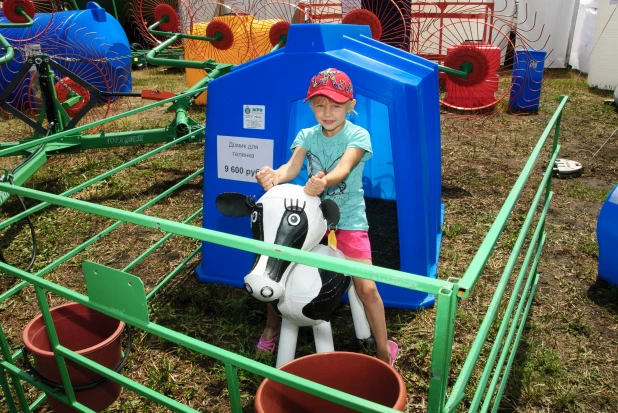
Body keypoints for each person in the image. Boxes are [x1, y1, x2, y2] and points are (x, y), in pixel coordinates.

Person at [254, 68, 398, 366]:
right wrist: (273, 176)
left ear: (350, 105)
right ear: (310, 106)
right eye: (320, 105)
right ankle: (272, 326)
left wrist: (324, 182)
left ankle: (384, 350)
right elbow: (291, 169)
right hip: (312, 222)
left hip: (349, 222)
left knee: (367, 288)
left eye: (336, 105)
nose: (327, 112)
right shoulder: (307, 135)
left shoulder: (358, 134)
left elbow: (345, 167)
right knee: (276, 269)